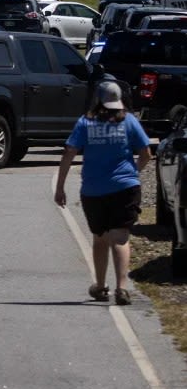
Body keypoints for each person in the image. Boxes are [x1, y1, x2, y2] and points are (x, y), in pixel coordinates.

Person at [55, 81, 151, 306]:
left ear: (97, 99)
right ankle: (122, 288)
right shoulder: (129, 121)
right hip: (125, 188)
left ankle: (99, 286)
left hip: (94, 189)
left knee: (100, 238)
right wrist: (133, 173)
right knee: (120, 237)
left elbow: (70, 151)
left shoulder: (85, 122)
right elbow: (145, 152)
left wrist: (60, 186)